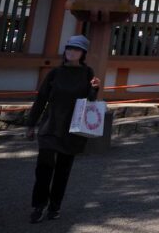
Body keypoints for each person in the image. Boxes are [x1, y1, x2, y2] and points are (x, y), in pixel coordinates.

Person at [25, 34, 101, 223]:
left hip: (72, 127)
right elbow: (41, 98)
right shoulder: (55, 73)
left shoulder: (87, 73)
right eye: (69, 48)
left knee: (62, 170)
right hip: (50, 125)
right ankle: (38, 205)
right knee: (43, 168)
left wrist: (95, 89)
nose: (71, 52)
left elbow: (90, 101)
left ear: (83, 53)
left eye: (76, 49)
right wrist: (31, 124)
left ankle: (54, 206)